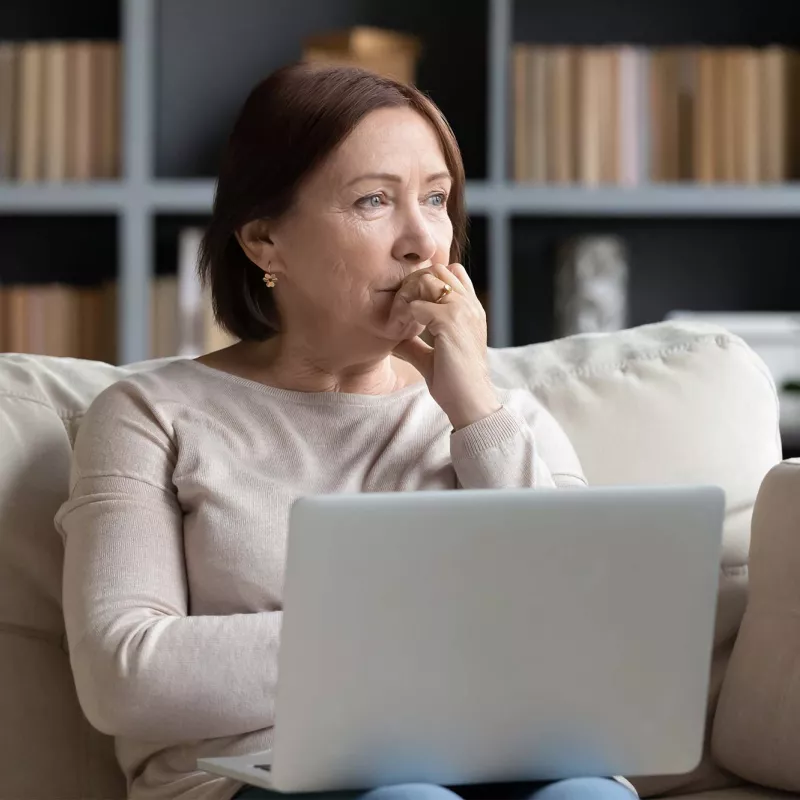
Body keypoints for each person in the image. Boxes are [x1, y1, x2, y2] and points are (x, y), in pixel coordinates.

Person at [54, 63, 633, 800]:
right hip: (268, 776)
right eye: (373, 201)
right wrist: (437, 639)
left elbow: (583, 646)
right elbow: (124, 676)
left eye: (435, 199)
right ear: (265, 241)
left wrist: (476, 415)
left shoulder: (497, 415)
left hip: (497, 759)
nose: (423, 241)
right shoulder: (147, 415)